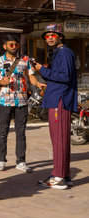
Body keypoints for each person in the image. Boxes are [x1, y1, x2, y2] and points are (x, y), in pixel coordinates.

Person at [0, 34, 46, 173]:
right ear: (5, 46)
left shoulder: (25, 60)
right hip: (4, 101)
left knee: (21, 132)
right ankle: (1, 160)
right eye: (11, 45)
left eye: (16, 45)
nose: (14, 47)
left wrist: (37, 83)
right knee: (3, 132)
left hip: (22, 100)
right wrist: (1, 82)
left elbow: (31, 77)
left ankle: (21, 161)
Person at [33, 24, 78, 189]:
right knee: (60, 138)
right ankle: (63, 174)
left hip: (60, 100)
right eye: (47, 36)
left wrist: (42, 70)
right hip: (57, 97)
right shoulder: (59, 53)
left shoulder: (64, 52)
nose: (50, 38)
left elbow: (65, 76)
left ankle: (59, 177)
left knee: (59, 138)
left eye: (53, 35)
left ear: (60, 36)